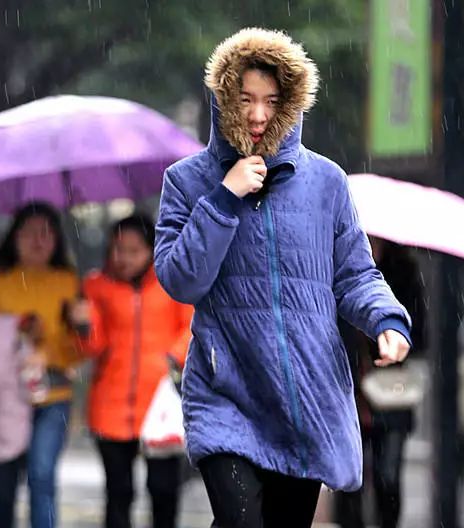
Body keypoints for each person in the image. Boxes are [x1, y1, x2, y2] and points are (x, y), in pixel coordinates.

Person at [154, 28, 412, 528]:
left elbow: (354, 273)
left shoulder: (326, 182)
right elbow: (181, 280)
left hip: (303, 399)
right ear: (224, 98)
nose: (257, 115)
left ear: (291, 103)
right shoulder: (186, 182)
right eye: (245, 99)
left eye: (271, 101)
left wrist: (385, 320)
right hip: (226, 392)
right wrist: (225, 199)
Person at [0, 202, 85, 528]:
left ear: (57, 239)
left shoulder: (68, 281)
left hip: (53, 393)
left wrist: (73, 335)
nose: (38, 241)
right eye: (29, 233)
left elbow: (80, 350)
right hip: (3, 397)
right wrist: (14, 332)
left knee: (42, 475)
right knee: (2, 482)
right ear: (13, 237)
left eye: (46, 233)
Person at [82, 214, 193, 528]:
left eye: (134, 250)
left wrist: (172, 358)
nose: (124, 258)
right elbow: (93, 346)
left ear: (151, 249)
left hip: (159, 407)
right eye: (118, 249)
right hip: (110, 406)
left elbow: (191, 327)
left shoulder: (171, 282)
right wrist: (83, 324)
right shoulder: (96, 286)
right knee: (118, 492)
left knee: (163, 490)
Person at [336, 237, 427, 528]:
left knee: (388, 476)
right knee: (351, 478)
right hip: (350, 389)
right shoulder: (339, 265)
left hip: (390, 391)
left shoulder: (403, 273)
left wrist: (388, 327)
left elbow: (420, 332)